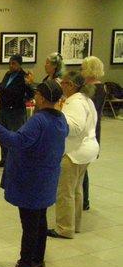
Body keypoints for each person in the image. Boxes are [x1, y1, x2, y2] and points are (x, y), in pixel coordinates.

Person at [0, 80, 68, 267]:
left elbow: (16, 141)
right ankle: (38, 261)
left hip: (31, 181)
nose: (34, 97)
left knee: (29, 225)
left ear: (43, 98)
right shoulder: (60, 119)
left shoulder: (39, 121)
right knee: (40, 220)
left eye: (37, 95)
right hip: (46, 179)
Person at [47, 71, 99, 239]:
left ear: (71, 85)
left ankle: (64, 228)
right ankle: (75, 224)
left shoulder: (74, 103)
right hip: (88, 149)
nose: (61, 86)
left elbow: (75, 127)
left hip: (74, 152)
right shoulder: (87, 100)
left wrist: (57, 117)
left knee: (65, 191)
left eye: (64, 83)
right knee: (77, 189)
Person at [0, 54, 34, 167]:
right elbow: (2, 88)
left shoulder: (24, 76)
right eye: (10, 63)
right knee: (1, 135)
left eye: (14, 64)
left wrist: (27, 89)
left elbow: (31, 94)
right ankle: (5, 159)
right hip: (3, 109)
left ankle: (15, 160)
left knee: (14, 137)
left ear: (19, 64)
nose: (11, 66)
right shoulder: (8, 74)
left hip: (16, 111)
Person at [80, 56, 106, 210]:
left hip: (90, 131)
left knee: (82, 168)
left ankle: (84, 200)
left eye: (83, 68)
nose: (81, 71)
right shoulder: (91, 87)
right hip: (91, 129)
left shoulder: (96, 89)